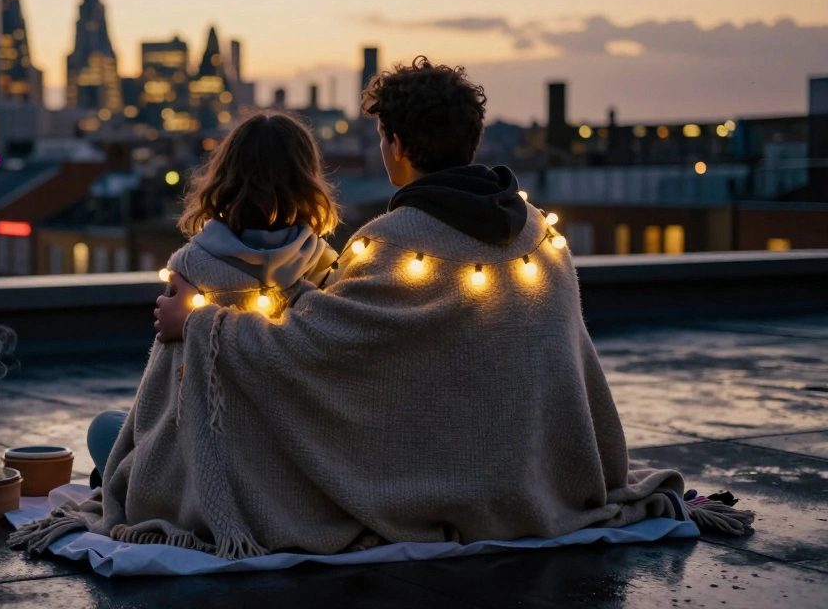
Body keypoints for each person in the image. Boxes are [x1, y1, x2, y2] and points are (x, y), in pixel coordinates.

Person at [146, 57, 750, 555]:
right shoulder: (541, 236)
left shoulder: (392, 243)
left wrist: (199, 324)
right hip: (537, 474)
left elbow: (310, 351)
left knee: (131, 439)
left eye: (381, 137)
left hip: (431, 481)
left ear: (397, 144)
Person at [10, 110, 342, 557]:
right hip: (290, 463)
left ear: (223, 178)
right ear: (308, 182)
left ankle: (119, 480)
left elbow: (158, 403)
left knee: (109, 429)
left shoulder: (192, 268)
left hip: (198, 469)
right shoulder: (326, 269)